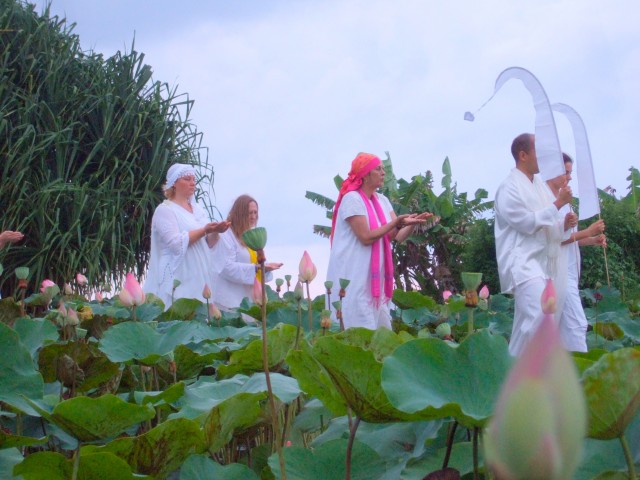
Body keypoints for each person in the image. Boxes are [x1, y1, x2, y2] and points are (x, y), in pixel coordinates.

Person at [326, 152, 432, 330]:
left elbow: (395, 235)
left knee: (381, 338)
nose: (383, 172)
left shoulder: (382, 200)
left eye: (383, 168)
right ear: (366, 174)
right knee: (359, 337)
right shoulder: (352, 199)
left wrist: (413, 224)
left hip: (376, 287)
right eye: (378, 169)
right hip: (353, 280)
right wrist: (396, 223)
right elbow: (366, 237)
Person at [494, 134, 574, 356]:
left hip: (540, 263)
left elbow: (549, 223)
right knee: (541, 317)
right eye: (540, 151)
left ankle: (509, 374)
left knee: (524, 329)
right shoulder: (508, 188)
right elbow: (527, 223)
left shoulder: (539, 185)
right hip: (520, 262)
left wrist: (563, 224)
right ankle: (535, 375)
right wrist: (558, 204)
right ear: (523, 155)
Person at [144, 163, 230, 309]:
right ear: (174, 184)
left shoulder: (198, 210)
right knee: (177, 314)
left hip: (199, 273)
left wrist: (216, 231)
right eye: (187, 179)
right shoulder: (165, 210)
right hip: (178, 274)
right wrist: (204, 230)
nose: (192, 183)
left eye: (194, 180)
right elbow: (175, 244)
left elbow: (209, 243)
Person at [546, 153, 606, 352]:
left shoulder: (566, 202)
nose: (569, 177)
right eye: (566, 172)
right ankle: (580, 374)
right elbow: (554, 239)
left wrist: (592, 239)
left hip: (570, 272)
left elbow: (571, 240)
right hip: (557, 274)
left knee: (559, 329)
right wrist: (588, 231)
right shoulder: (548, 203)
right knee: (576, 325)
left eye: (570, 173)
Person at [212, 194, 282, 310]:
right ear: (240, 214)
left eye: (255, 212)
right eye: (250, 213)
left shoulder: (252, 234)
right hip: (229, 303)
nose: (253, 216)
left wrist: (265, 268)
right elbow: (225, 267)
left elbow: (259, 264)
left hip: (250, 301)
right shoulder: (226, 234)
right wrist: (257, 268)